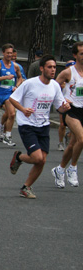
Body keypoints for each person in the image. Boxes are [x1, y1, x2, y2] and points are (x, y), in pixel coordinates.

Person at [9, 55, 70, 198]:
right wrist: (23, 109)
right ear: (42, 68)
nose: (53, 70)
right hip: (27, 125)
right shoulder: (30, 83)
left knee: (42, 160)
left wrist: (65, 107)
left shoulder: (55, 86)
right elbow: (13, 98)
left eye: (55, 67)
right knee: (37, 158)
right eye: (50, 67)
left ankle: (26, 187)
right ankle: (19, 157)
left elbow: (59, 107)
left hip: (44, 126)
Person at [50, 41, 83, 189]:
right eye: (82, 53)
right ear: (75, 55)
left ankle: (60, 169)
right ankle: (73, 168)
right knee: (82, 140)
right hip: (71, 110)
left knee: (72, 144)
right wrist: (63, 99)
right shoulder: (68, 72)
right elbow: (53, 88)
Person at [0, 43, 23, 146]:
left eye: (11, 53)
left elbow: (20, 77)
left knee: (12, 114)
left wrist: (17, 86)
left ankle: (7, 135)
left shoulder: (15, 66)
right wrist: (5, 78)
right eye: (7, 53)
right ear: (3, 53)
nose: (9, 55)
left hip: (9, 94)